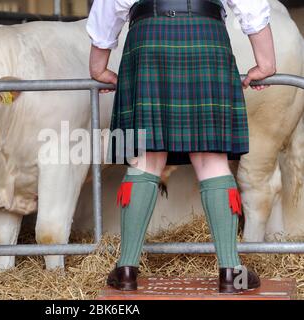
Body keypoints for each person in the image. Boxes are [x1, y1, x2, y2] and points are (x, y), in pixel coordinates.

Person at [86, 0, 276, 293]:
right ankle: (231, 273)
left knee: (144, 159)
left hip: (148, 40)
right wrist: (265, 63)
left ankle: (125, 271)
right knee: (211, 160)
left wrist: (98, 68)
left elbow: (106, 9)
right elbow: (250, 4)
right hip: (205, 39)